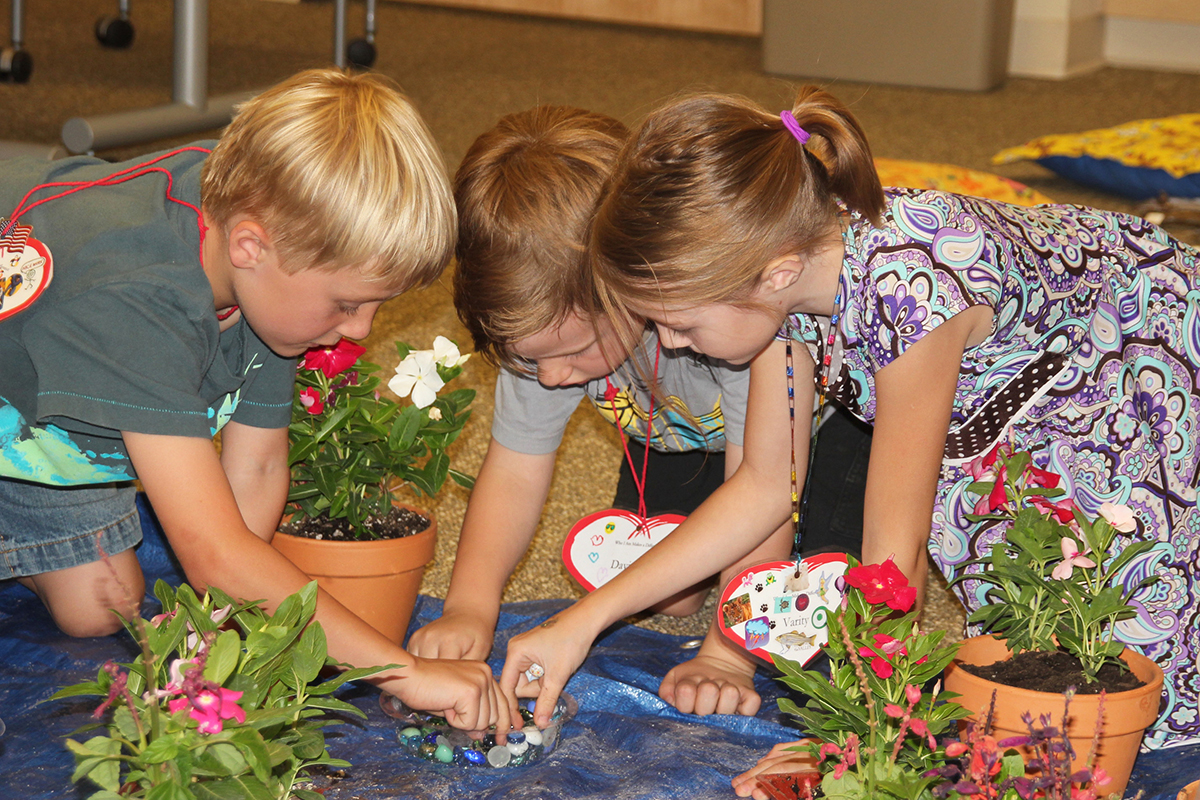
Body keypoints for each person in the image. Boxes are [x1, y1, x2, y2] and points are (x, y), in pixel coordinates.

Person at [499, 87, 1199, 766]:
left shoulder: (910, 293)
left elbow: (896, 553)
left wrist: (861, 735)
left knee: (1127, 671)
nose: (672, 347)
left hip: (1140, 352)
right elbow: (766, 486)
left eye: (679, 325)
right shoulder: (787, 284)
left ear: (771, 274)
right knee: (1032, 646)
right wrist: (580, 623)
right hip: (1024, 385)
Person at [0, 68, 516, 735]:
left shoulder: (266, 252)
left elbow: (260, 468)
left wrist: (222, 620)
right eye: (347, 303)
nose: (360, 330)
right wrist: (399, 671)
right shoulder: (136, 301)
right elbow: (216, 549)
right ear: (250, 246)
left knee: (104, 609)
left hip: (43, 418)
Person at [408, 104, 848, 717]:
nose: (552, 377)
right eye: (528, 360)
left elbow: (766, 490)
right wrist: (469, 606)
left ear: (628, 284)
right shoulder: (546, 334)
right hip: (674, 444)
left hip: (817, 446)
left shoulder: (730, 321)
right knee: (668, 595)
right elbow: (511, 472)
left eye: (573, 352)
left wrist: (726, 654)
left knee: (819, 611)